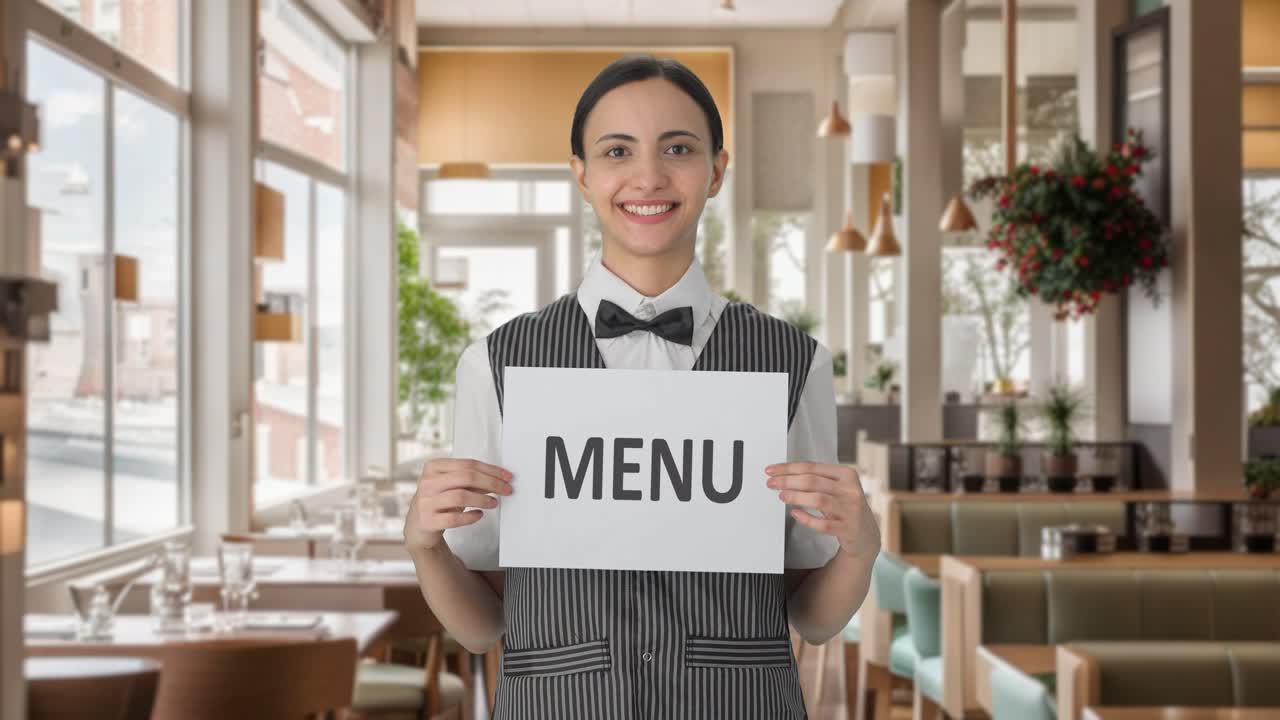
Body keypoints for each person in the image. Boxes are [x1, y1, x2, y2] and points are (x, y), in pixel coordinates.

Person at [404, 53, 880, 720]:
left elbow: (813, 616)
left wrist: (861, 549)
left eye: (678, 148)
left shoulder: (795, 363)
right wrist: (424, 545)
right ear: (583, 175)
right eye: (617, 150)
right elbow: (484, 625)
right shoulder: (496, 363)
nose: (648, 176)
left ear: (716, 170)